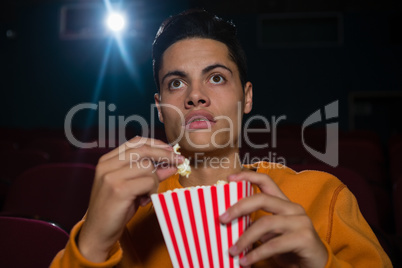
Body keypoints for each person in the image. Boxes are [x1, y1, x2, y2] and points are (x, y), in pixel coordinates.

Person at [51, 9, 392, 267]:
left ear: (247, 98)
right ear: (159, 107)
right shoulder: (123, 211)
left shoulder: (322, 197)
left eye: (215, 78)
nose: (195, 95)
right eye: (176, 83)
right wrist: (94, 242)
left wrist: (321, 261)